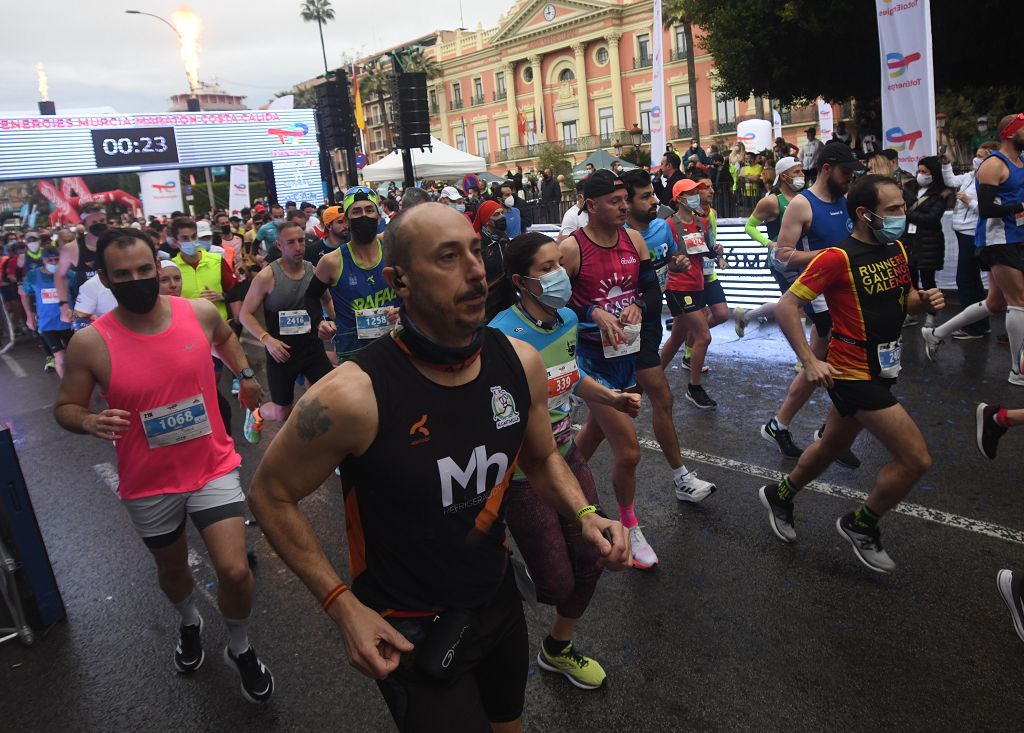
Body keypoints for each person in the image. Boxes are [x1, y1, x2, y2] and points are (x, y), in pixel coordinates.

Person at [247, 202, 629, 731]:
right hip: (406, 627)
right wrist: (340, 604)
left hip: (494, 602)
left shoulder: (519, 362)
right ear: (398, 280)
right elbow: (270, 493)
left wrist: (585, 513)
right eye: (447, 257)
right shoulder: (353, 395)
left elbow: (540, 458)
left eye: (474, 251)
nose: (474, 270)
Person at [53, 228, 274, 702]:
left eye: (144, 270)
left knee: (235, 571)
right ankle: (190, 621)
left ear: (158, 267)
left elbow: (225, 336)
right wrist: (90, 419)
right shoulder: (91, 343)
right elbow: (65, 408)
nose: (137, 280)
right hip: (150, 483)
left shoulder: (194, 312)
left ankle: (239, 646)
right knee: (174, 571)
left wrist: (247, 374)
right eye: (123, 275)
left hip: (211, 466)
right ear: (105, 280)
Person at [758, 174, 943, 573]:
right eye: (893, 210)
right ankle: (860, 524)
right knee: (916, 459)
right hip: (851, 372)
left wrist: (923, 300)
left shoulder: (896, 249)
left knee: (829, 447)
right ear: (864, 214)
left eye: (903, 208)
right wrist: (810, 360)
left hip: (883, 368)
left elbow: (903, 302)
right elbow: (786, 308)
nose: (901, 216)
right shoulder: (836, 258)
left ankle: (780, 494)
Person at [490, 232, 640, 690]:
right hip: (522, 475)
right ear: (521, 282)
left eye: (561, 264)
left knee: (592, 558)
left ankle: (557, 648)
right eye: (548, 268)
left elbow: (572, 377)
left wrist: (612, 398)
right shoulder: (500, 335)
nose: (560, 275)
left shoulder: (569, 318)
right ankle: (496, 578)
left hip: (568, 455)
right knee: (555, 583)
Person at [582, 169, 716, 497]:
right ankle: (681, 478)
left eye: (653, 194)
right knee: (659, 397)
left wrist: (677, 263)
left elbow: (668, 262)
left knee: (606, 418)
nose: (654, 201)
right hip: (623, 330)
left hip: (651, 322)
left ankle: (564, 473)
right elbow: (576, 292)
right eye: (645, 196)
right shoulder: (611, 236)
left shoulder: (658, 229)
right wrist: (596, 312)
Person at [560, 170, 660, 568]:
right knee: (630, 451)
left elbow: (651, 288)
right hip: (589, 361)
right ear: (590, 204)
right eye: (616, 201)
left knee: (594, 432)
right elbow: (547, 302)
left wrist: (640, 305)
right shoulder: (571, 249)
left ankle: (556, 493)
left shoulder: (633, 240)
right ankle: (630, 525)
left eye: (625, 200)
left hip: (625, 354)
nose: (624, 207)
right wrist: (592, 311)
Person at [764, 143, 864, 465]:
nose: (849, 178)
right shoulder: (801, 205)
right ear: (826, 169)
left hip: (846, 296)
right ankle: (831, 436)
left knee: (819, 367)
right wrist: (830, 258)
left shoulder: (845, 201)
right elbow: (782, 257)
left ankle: (782, 425)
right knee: (839, 366)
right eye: (845, 172)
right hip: (820, 299)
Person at [922, 113, 1024, 384]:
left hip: (1017, 237)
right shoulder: (993, 165)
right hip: (998, 240)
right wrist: (1020, 208)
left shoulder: (1020, 162)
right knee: (1019, 302)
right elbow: (988, 209)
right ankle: (1017, 371)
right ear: (1011, 133)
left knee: (996, 302)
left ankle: (937, 333)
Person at [238, 221, 336, 443]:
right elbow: (245, 314)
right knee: (283, 412)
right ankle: (257, 414)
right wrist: (267, 340)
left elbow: (328, 301)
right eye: (291, 242)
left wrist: (332, 324)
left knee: (328, 400)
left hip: (312, 349)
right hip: (281, 354)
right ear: (279, 246)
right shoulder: (267, 276)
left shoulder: (314, 271)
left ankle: (332, 452)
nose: (298, 246)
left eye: (301, 240)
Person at [311, 186, 400, 364]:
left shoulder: (395, 252)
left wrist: (404, 312)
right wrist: (319, 322)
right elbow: (310, 296)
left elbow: (416, 290)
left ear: (378, 215)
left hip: (397, 344)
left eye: (369, 210)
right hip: (355, 353)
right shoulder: (331, 261)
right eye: (356, 211)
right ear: (346, 219)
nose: (364, 216)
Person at [660, 178, 717, 408]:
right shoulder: (669, 225)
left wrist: (715, 252)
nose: (697, 195)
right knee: (704, 336)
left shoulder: (701, 223)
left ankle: (650, 376)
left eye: (697, 190)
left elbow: (703, 251)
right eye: (692, 192)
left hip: (698, 284)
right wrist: (675, 262)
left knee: (676, 338)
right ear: (680, 199)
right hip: (678, 288)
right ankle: (694, 388)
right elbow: (665, 258)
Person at [738, 157, 806, 335]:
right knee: (800, 302)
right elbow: (749, 226)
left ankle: (747, 315)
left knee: (791, 301)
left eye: (801, 171)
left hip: (803, 256)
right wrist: (768, 243)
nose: (802, 175)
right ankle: (802, 360)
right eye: (796, 172)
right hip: (782, 260)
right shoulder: (772, 201)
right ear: (784, 176)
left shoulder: (805, 198)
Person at [941, 142, 1000, 339]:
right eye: (976, 154)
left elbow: (988, 210)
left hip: (971, 232)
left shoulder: (989, 180)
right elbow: (950, 180)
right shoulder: (970, 175)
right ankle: (981, 324)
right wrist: (946, 164)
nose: (976, 159)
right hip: (961, 230)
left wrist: (968, 201)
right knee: (972, 279)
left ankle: (971, 327)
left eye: (981, 156)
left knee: (965, 279)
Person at [902, 156, 951, 328]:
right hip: (910, 240)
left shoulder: (941, 193)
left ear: (934, 174)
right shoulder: (909, 188)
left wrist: (908, 212)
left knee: (928, 281)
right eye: (919, 171)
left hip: (929, 243)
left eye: (925, 172)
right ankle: (912, 312)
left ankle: (932, 316)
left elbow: (931, 218)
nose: (920, 174)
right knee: (911, 279)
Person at [21, 245, 73, 377]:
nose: (54, 263)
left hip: (69, 322)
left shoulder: (70, 274)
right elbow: (23, 293)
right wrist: (29, 315)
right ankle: (68, 390)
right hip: (47, 324)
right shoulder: (33, 276)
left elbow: (79, 293)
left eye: (57, 260)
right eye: (50, 261)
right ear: (43, 260)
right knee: (60, 359)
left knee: (76, 358)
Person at [55, 202, 106, 326]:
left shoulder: (116, 243)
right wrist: (64, 305)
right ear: (84, 224)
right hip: (86, 311)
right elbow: (59, 276)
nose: (99, 224)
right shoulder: (71, 249)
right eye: (94, 222)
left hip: (115, 306)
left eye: (102, 220)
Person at [473, 201, 512, 321]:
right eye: (496, 214)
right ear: (486, 219)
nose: (501, 217)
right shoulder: (477, 243)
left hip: (508, 298)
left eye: (501, 213)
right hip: (487, 303)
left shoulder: (504, 237)